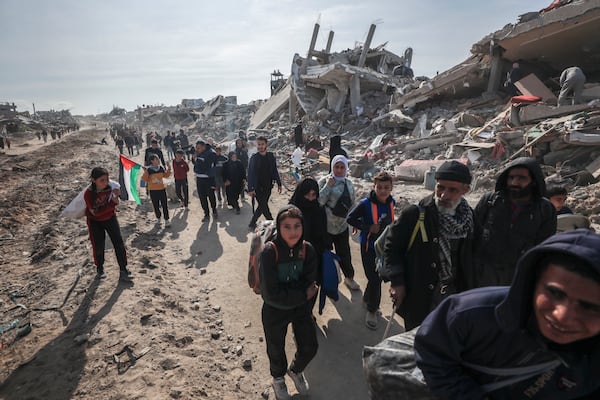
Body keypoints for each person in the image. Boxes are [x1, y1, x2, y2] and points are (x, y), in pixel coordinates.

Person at [415, 229, 600, 400]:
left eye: (590, 307)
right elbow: (433, 353)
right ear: (534, 282)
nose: (562, 316)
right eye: (555, 293)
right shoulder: (471, 313)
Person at [384, 161, 475, 330]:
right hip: (420, 296)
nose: (443, 195)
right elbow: (392, 248)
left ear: (465, 190)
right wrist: (397, 282)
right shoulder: (416, 214)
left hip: (455, 296)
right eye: (440, 187)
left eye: (452, 190)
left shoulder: (470, 220)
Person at [259, 205, 319, 399]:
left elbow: (311, 284)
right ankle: (278, 379)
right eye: (287, 227)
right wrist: (303, 294)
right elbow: (271, 294)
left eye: (297, 226)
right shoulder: (270, 252)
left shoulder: (307, 249)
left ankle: (295, 370)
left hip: (301, 309)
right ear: (279, 226)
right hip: (274, 311)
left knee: (310, 346)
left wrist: (305, 301)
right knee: (276, 348)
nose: (293, 232)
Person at [473, 157, 556, 287]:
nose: (514, 183)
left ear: (533, 181)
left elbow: (545, 246)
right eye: (511, 178)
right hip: (484, 274)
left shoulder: (545, 209)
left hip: (519, 275)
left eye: (522, 178)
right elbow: (473, 233)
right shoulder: (491, 201)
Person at [347, 171, 396, 330]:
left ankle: (368, 299)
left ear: (391, 188)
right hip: (368, 248)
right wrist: (368, 227)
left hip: (385, 248)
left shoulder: (391, 202)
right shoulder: (365, 204)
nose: (383, 191)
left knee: (376, 278)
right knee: (375, 278)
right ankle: (372, 310)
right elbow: (350, 219)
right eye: (379, 187)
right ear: (374, 187)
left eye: (386, 187)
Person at [318, 155, 359, 291]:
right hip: (326, 227)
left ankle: (349, 278)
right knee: (326, 255)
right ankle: (327, 280)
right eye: (337, 167)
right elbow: (319, 202)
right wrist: (329, 186)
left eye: (342, 167)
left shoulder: (349, 184)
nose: (339, 170)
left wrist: (354, 223)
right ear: (332, 167)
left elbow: (353, 205)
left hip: (342, 227)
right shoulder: (324, 181)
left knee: (344, 254)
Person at [84, 167, 132, 282]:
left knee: (119, 242)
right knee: (98, 245)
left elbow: (116, 201)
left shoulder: (111, 187)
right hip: (94, 221)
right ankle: (100, 269)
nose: (105, 183)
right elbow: (95, 212)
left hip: (110, 218)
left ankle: (123, 269)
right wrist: (112, 204)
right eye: (102, 180)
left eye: (107, 179)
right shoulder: (89, 194)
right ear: (93, 180)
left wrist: (115, 197)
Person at [289, 178, 330, 310]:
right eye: (307, 195)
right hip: (294, 257)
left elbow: (324, 232)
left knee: (313, 286)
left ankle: (307, 313)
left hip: (315, 257)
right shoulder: (291, 212)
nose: (310, 199)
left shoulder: (319, 209)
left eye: (314, 195)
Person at [247, 136, 282, 230]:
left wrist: (279, 183)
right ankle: (273, 224)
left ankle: (252, 223)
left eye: (262, 144)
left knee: (262, 206)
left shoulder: (270, 156)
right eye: (259, 144)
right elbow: (250, 173)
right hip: (257, 187)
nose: (260, 146)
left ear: (266, 144)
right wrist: (250, 188)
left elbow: (274, 170)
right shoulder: (254, 158)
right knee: (264, 206)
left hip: (268, 186)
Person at [142, 154, 172, 226]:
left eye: (158, 159)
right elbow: (144, 179)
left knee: (165, 205)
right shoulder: (149, 170)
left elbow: (166, 176)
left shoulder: (161, 168)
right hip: (153, 191)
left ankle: (167, 220)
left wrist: (169, 168)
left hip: (162, 189)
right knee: (156, 205)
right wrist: (145, 172)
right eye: (157, 159)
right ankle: (158, 218)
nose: (159, 160)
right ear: (152, 161)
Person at [193, 140, 218, 222]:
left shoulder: (211, 153)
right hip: (199, 179)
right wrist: (195, 159)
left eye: (198, 148)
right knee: (202, 197)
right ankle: (206, 214)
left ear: (204, 147)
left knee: (211, 195)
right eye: (196, 148)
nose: (197, 150)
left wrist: (198, 159)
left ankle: (214, 211)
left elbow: (206, 166)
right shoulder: (199, 153)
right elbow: (196, 165)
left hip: (208, 178)